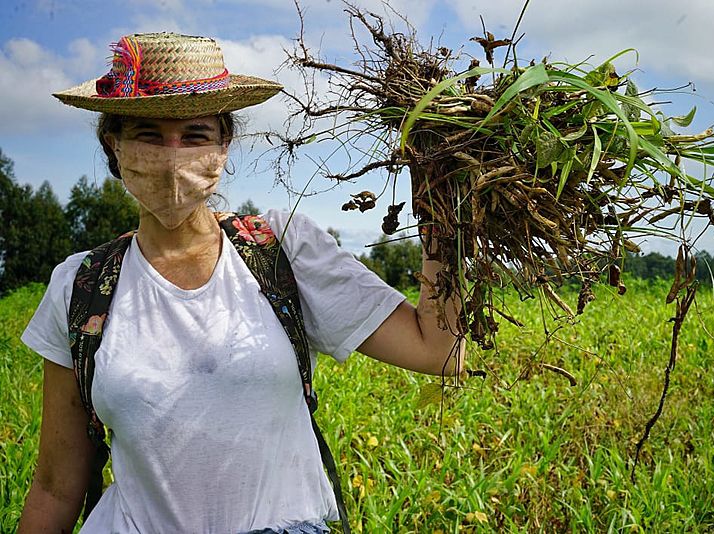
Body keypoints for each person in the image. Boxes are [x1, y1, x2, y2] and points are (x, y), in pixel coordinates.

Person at [17, 33, 463, 534]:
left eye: (195, 135)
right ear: (112, 145)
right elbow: (56, 486)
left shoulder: (281, 249)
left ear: (224, 145)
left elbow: (437, 350)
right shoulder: (81, 286)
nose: (172, 157)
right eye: (147, 133)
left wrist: (441, 201)